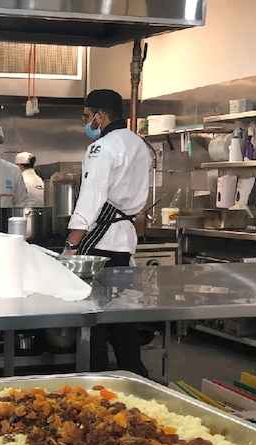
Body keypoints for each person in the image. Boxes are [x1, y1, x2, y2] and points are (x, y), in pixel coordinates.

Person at [53, 89, 150, 377]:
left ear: (101, 115)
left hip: (101, 240)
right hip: (124, 238)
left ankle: (96, 377)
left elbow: (91, 197)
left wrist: (71, 243)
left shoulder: (102, 147)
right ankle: (133, 372)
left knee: (94, 317)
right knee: (122, 315)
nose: (87, 123)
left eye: (87, 116)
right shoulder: (138, 144)